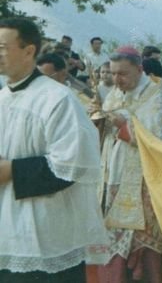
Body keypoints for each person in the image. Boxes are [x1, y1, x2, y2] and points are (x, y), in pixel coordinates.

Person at [0, 18, 105, 282]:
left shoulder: (58, 99)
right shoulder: (2, 97)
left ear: (29, 50)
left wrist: (11, 169)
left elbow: (72, 166)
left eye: (3, 47)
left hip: (47, 234)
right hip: (7, 228)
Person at [93, 46, 162, 282]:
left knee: (144, 249)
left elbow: (160, 141)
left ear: (140, 69)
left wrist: (124, 127)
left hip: (144, 185)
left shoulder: (156, 97)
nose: (117, 80)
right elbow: (106, 135)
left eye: (122, 74)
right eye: (113, 74)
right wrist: (99, 124)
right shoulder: (114, 94)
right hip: (113, 177)